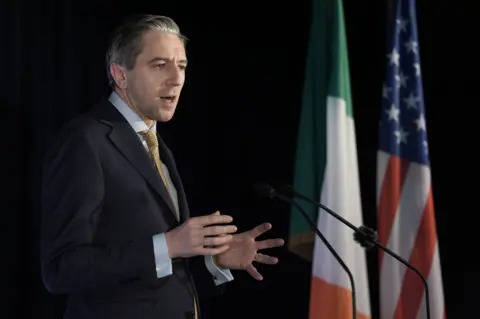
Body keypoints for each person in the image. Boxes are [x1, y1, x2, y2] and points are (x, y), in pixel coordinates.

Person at [40, 14, 284, 319]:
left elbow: (158, 266)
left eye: (181, 66)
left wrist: (214, 262)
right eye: (159, 65)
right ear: (120, 75)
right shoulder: (85, 141)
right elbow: (62, 269)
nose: (177, 78)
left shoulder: (154, 143)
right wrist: (167, 245)